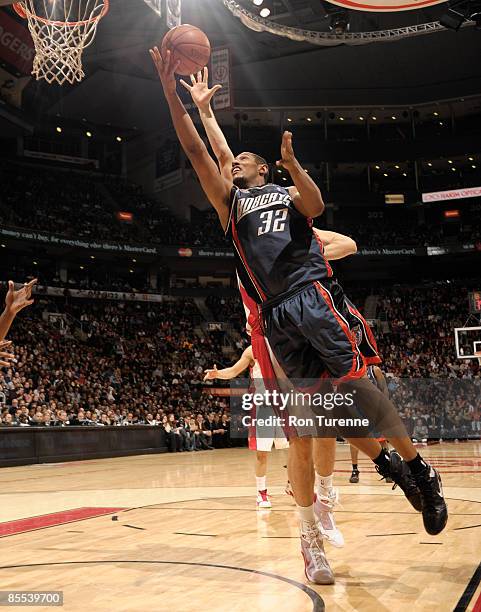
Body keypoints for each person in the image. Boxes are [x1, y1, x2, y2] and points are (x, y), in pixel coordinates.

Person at [151, 54, 448, 584]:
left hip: (313, 296)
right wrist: (179, 99)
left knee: (358, 396)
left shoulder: (284, 194)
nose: (234, 159)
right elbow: (201, 148)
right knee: (310, 427)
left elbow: (315, 204)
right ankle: (315, 535)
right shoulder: (230, 204)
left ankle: (416, 471)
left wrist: (291, 166)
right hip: (274, 318)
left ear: (263, 169)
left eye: (244, 157)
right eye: (232, 158)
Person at [204, 345, 288, 509]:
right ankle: (261, 492)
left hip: (283, 404)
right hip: (263, 406)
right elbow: (234, 371)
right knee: (262, 453)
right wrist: (218, 374)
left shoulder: (282, 342)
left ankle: (293, 485)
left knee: (293, 449)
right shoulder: (252, 350)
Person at [349, 364, 392, 484]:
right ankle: (355, 470)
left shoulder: (374, 370)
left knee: (382, 440)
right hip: (357, 409)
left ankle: (388, 469)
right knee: (355, 441)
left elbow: (384, 390)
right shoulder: (351, 370)